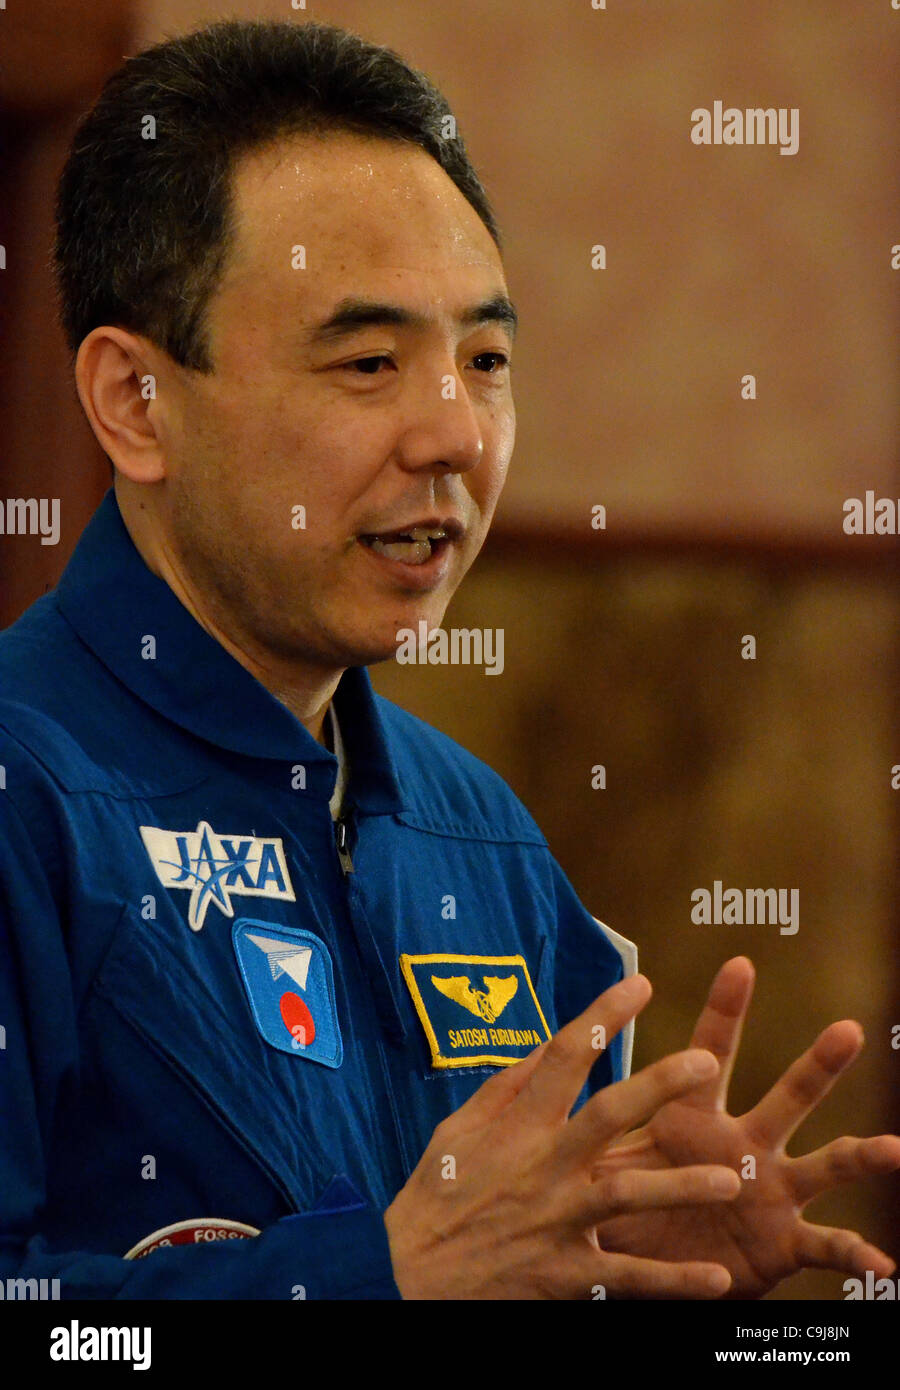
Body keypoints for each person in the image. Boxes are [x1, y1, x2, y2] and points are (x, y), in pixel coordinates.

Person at [0, 18, 896, 1301]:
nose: (454, 435)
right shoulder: (26, 794)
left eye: (485, 360)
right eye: (369, 363)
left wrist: (622, 1261)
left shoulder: (482, 837)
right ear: (137, 404)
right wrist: (370, 1279)